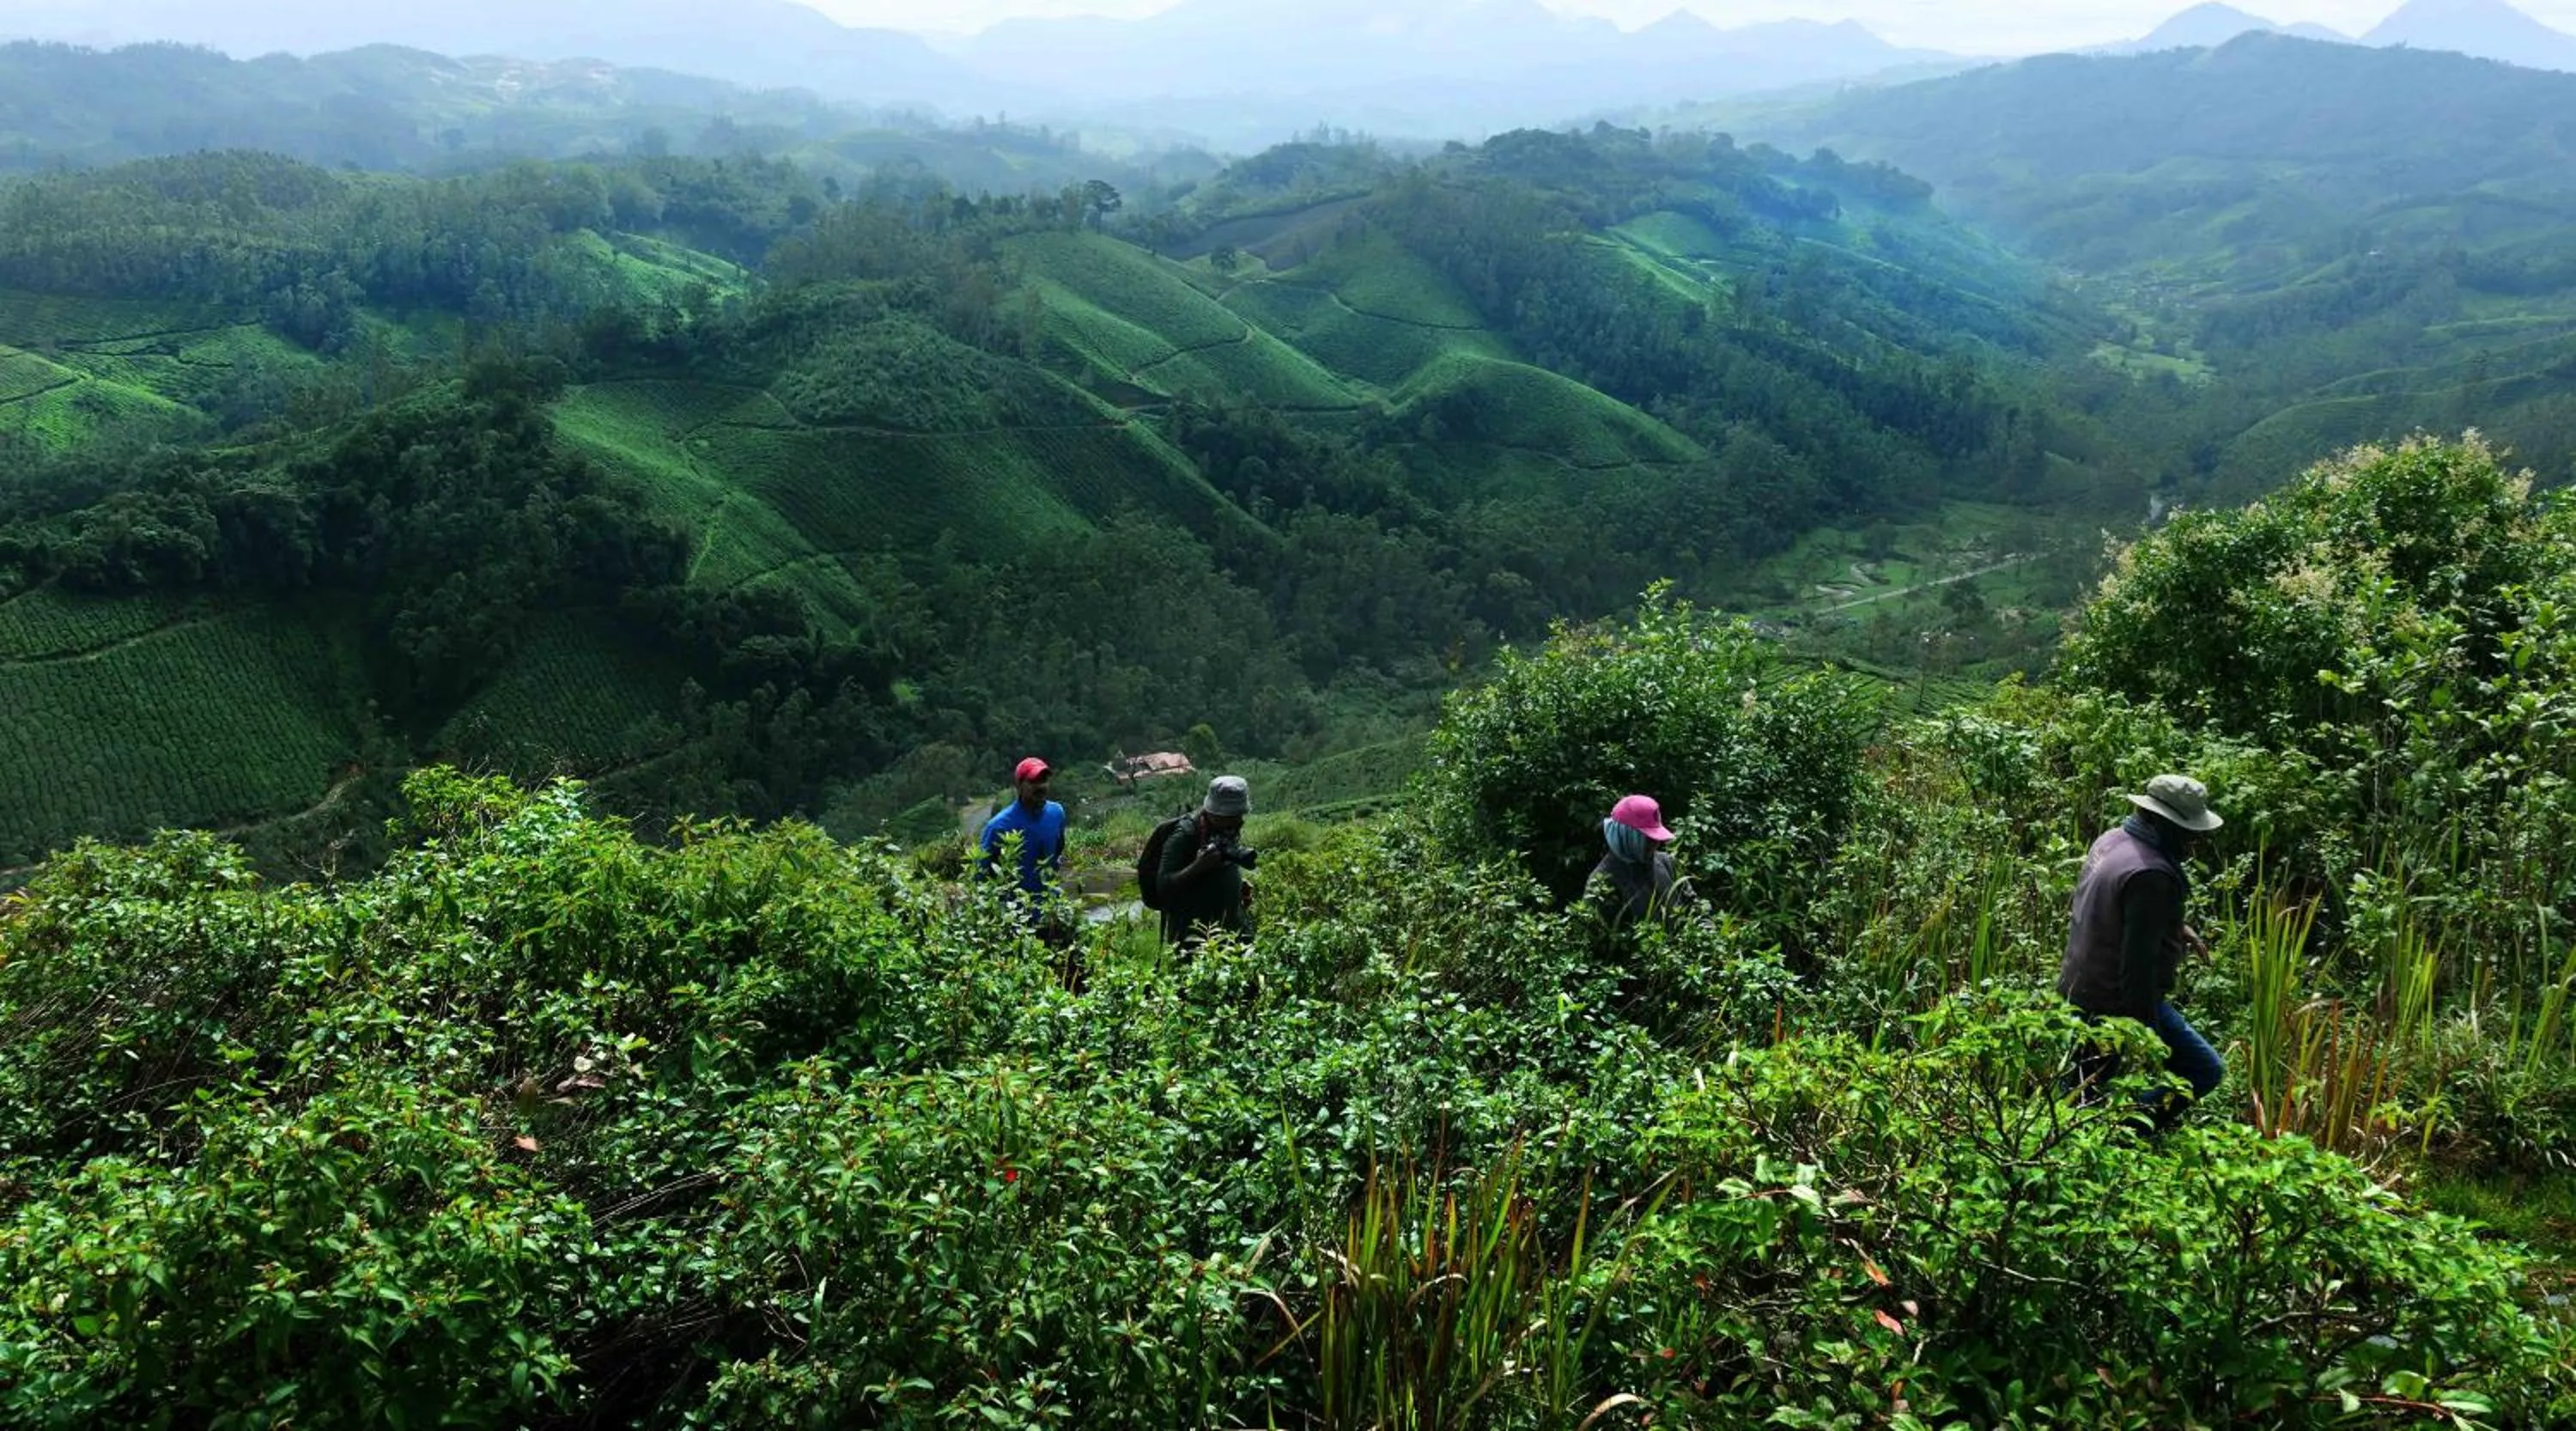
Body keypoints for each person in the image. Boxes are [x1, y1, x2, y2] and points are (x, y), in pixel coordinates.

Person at [2060, 773, 2225, 1131]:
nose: (2193, 841)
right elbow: (2137, 967)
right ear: (2163, 822)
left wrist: (2174, 926)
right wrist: (2144, 1036)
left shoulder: (2112, 840)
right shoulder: (2151, 874)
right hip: (2111, 1002)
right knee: (2203, 1069)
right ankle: (2121, 1133)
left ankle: (2086, 1134)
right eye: (2187, 832)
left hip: (2078, 987)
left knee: (2079, 1090)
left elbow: (2113, 907)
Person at [1157, 775, 1254, 947]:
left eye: (1239, 814)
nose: (1238, 821)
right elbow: (1163, 886)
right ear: (1213, 813)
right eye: (1230, 815)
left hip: (1232, 930)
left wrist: (1236, 885)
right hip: (1194, 937)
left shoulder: (1228, 828)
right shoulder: (1184, 836)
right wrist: (1197, 867)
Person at [980, 757, 1068, 933]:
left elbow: (1057, 852)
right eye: (1033, 782)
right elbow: (981, 876)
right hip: (1014, 921)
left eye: (1044, 780)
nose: (1041, 786)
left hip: (1051, 913)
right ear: (1019, 786)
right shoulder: (998, 827)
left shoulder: (1057, 813)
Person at [1588, 794, 1695, 932]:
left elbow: (1695, 907)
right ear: (1626, 835)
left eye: (1656, 838)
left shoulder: (1667, 863)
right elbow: (1601, 940)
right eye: (1648, 838)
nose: (1655, 843)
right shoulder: (1601, 884)